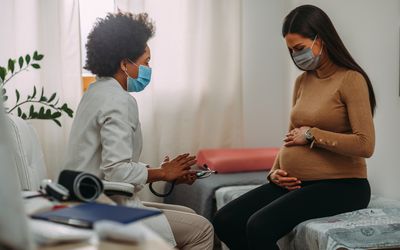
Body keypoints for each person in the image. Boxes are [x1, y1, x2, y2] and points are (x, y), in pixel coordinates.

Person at [213, 5, 375, 250]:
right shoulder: (303, 81)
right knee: (225, 220)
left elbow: (365, 144)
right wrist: (274, 171)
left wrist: (312, 135)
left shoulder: (351, 79)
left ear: (320, 40)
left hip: (343, 186)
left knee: (259, 226)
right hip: (297, 183)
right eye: (291, 51)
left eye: (300, 48)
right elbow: (290, 137)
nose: (296, 56)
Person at [63, 12, 213, 250]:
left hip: (86, 200)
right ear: (124, 64)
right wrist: (163, 174)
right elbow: (117, 172)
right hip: (104, 208)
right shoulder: (118, 100)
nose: (148, 69)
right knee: (202, 229)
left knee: (187, 213)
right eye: (146, 62)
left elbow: (110, 164)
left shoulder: (95, 93)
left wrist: (166, 171)